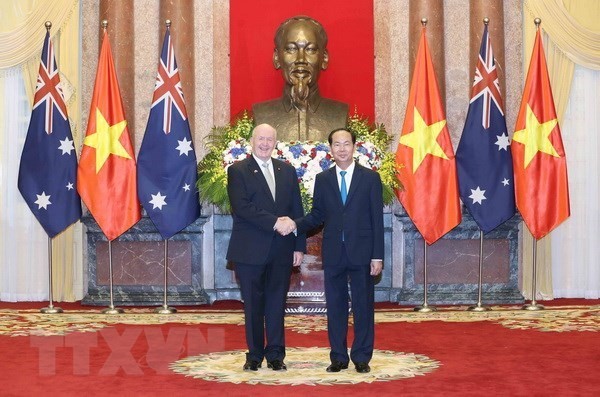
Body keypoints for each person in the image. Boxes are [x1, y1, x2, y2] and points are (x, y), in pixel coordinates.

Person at [276, 128, 384, 373]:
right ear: (331, 149)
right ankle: (338, 357)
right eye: (337, 144)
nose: (342, 149)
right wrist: (294, 224)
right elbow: (317, 215)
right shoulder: (323, 179)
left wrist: (378, 255)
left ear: (354, 147)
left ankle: (361, 357)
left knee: (363, 306)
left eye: (347, 144)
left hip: (363, 253)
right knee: (335, 306)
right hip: (334, 252)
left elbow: (377, 220)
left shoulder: (370, 178)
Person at [226, 123, 306, 372]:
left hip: (282, 249)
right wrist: (275, 222)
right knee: (252, 305)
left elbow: (296, 210)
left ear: (275, 143)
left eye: (269, 140)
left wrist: (299, 246)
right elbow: (242, 207)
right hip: (250, 250)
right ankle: (254, 355)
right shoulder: (238, 170)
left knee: (276, 304)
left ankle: (275, 355)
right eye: (260, 139)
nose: (264, 143)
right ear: (252, 141)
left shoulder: (287, 171)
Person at [253, 15, 348, 142]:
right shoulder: (262, 113)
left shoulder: (339, 113)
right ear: (276, 58)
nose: (301, 60)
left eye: (310, 49)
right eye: (291, 49)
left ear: (324, 58)